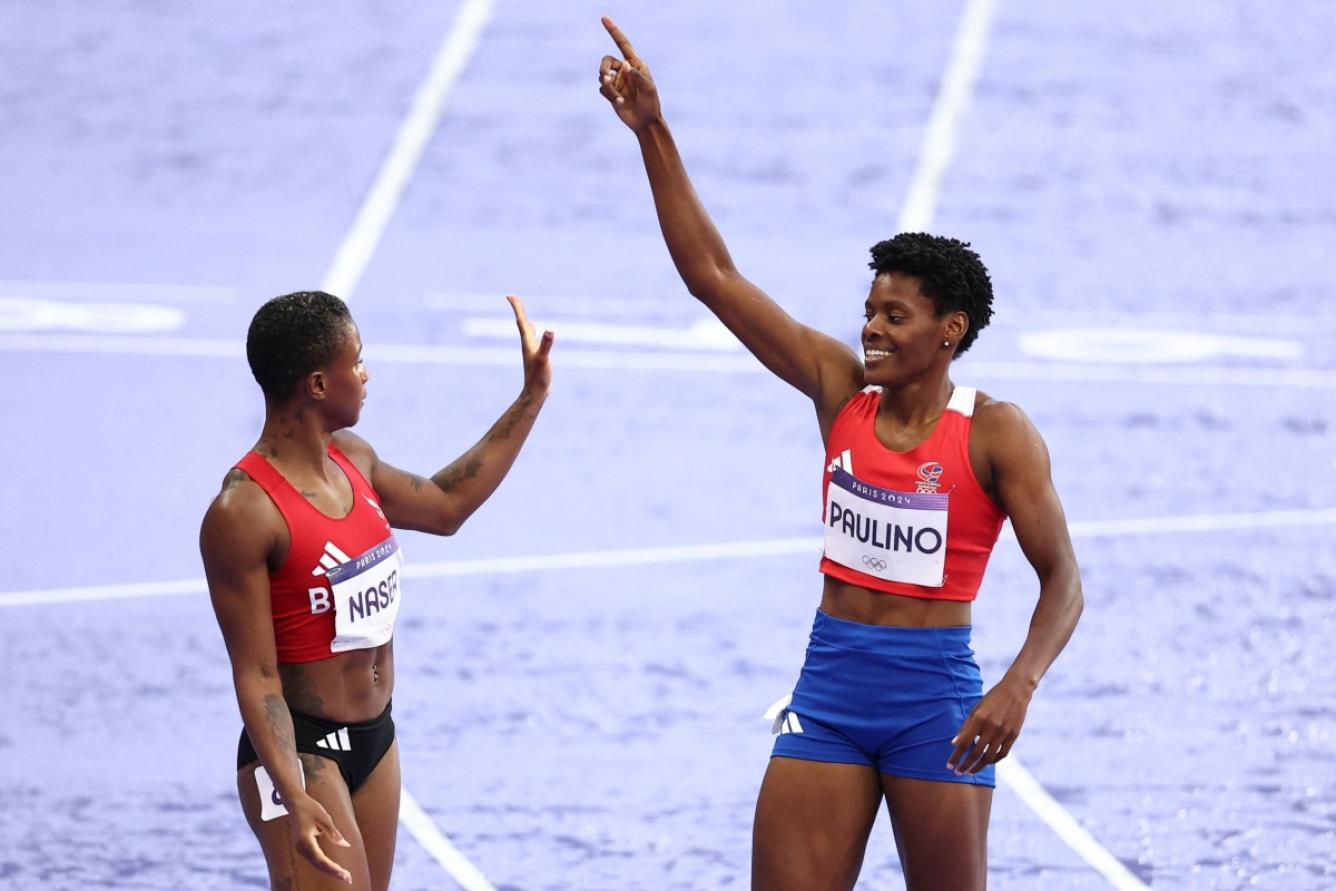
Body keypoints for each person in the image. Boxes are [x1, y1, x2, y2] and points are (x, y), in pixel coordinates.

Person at [596, 18, 1083, 891]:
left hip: (936, 703)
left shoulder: (997, 432)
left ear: (950, 331)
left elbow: (1065, 582)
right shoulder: (839, 389)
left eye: (895, 316)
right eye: (869, 310)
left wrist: (1018, 686)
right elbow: (713, 273)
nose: (871, 328)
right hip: (830, 690)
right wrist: (653, 133)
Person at [200, 290, 553, 889]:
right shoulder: (244, 513)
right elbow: (256, 676)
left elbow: (446, 506)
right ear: (317, 383)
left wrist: (532, 396)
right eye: (355, 360)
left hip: (375, 737)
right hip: (298, 756)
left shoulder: (353, 461)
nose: (365, 374)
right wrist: (292, 793)